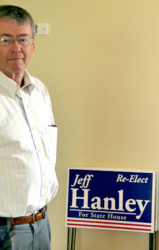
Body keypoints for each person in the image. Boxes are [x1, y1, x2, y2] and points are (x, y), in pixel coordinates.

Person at [0, 5, 58, 250]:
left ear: (33, 44)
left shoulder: (40, 91)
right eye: (5, 39)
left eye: (23, 39)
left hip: (41, 225)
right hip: (5, 232)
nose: (16, 48)